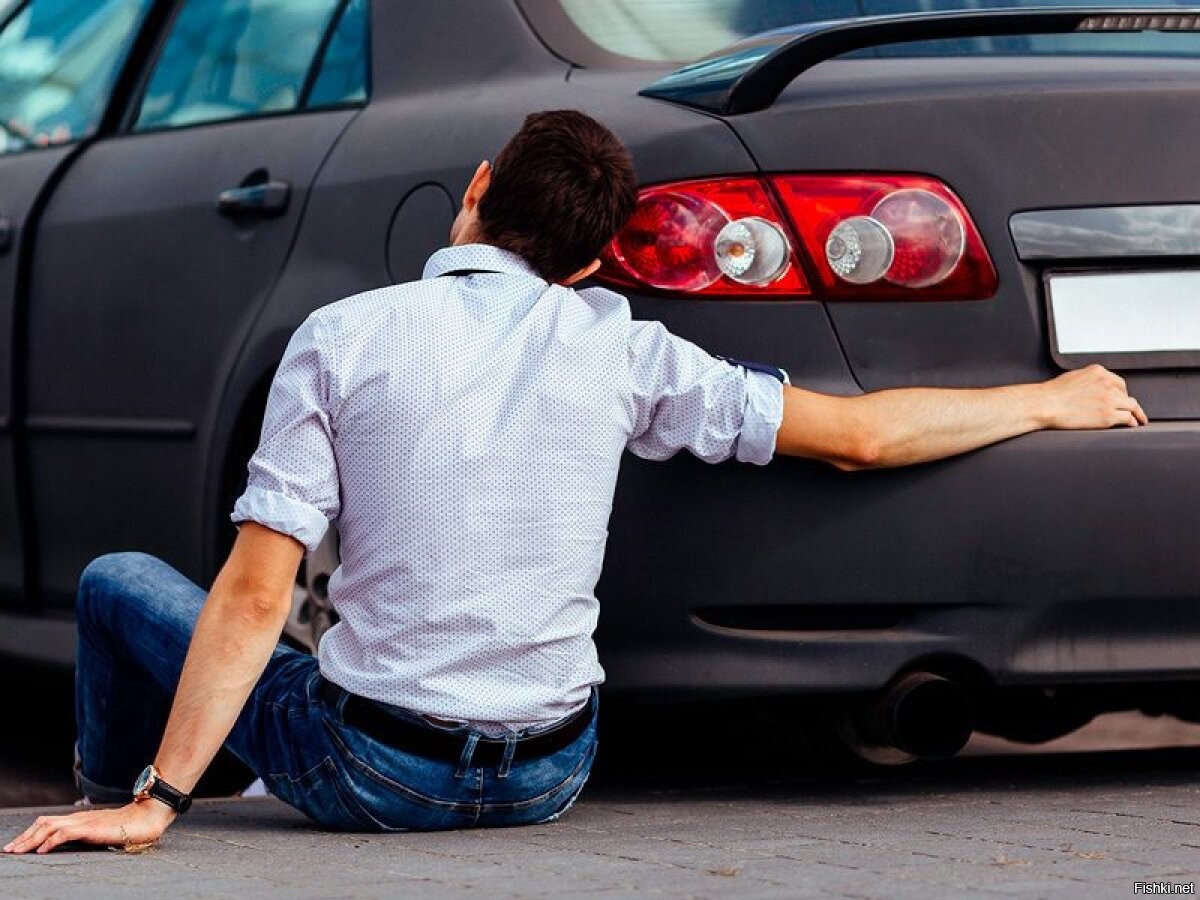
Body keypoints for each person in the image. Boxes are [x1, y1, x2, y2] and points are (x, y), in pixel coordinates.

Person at [4, 110, 1145, 854]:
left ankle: (111, 804)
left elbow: (259, 593)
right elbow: (859, 436)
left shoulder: (342, 336)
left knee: (118, 583)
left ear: (478, 187)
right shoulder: (624, 348)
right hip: (552, 772)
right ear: (595, 260)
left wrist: (159, 800)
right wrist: (1047, 401)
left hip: (377, 776)